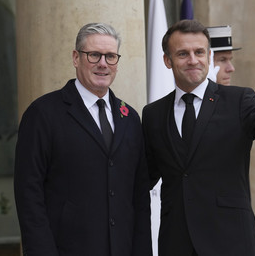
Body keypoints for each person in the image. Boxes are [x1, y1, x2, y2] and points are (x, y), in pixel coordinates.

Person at [142, 19, 255, 256]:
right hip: (175, 241)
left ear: (208, 56)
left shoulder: (238, 100)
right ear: (167, 61)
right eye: (182, 53)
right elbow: (143, 176)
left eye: (199, 52)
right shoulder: (153, 114)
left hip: (230, 240)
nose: (192, 60)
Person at [14, 23, 152, 256]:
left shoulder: (129, 118)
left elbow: (139, 197)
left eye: (110, 56)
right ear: (76, 58)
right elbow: (28, 194)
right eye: (94, 55)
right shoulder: (43, 113)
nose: (102, 63)